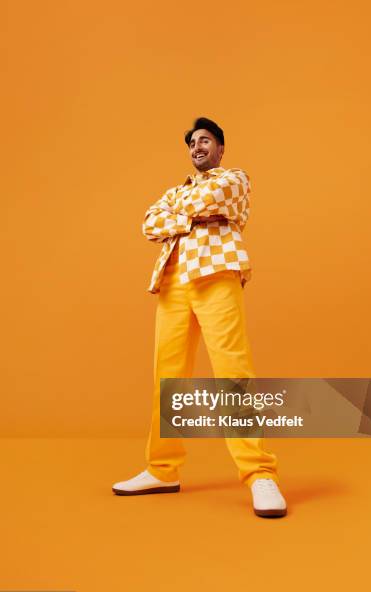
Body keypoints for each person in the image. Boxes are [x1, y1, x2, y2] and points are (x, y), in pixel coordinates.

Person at [112, 117, 287, 517]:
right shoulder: (176, 190)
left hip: (216, 273)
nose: (197, 147)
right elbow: (149, 222)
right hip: (173, 281)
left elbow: (211, 198)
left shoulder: (236, 178)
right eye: (192, 143)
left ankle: (260, 473)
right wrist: (189, 215)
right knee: (167, 377)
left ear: (220, 148)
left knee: (232, 371)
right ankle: (162, 469)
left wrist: (179, 215)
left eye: (205, 140)